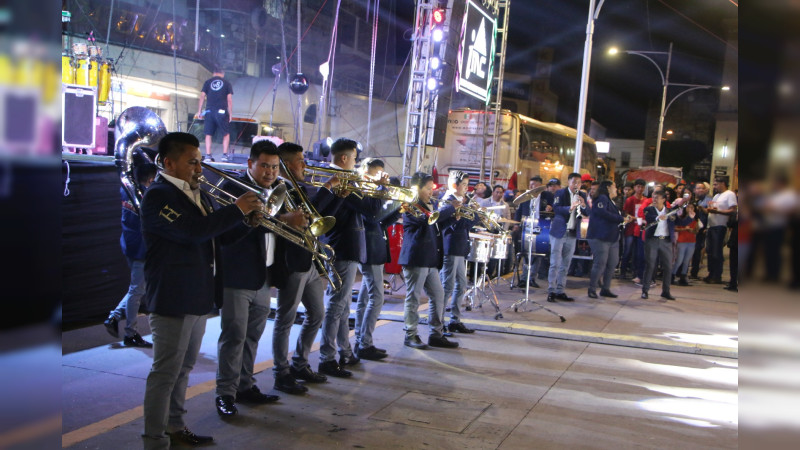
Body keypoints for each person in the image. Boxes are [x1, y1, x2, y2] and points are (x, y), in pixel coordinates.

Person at [140, 132, 263, 449]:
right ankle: (154, 440)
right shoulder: (158, 196)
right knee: (165, 373)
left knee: (183, 369)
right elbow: (191, 232)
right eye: (192, 162)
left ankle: (176, 427)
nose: (199, 168)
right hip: (172, 296)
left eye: (200, 161)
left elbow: (216, 240)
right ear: (169, 162)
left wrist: (245, 224)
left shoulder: (200, 195)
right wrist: (236, 210)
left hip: (197, 295)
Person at [214, 140, 299, 417]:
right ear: (250, 164)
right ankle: (225, 394)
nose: (270, 171)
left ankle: (245, 386)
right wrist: (282, 220)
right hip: (237, 276)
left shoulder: (277, 191)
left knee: (252, 336)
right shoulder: (234, 188)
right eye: (264, 165)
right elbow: (224, 232)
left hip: (264, 275)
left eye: (274, 167)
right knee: (233, 336)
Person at [270, 141, 342, 395]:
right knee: (285, 318)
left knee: (317, 314)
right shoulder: (280, 189)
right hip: (292, 260)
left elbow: (315, 217)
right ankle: (281, 372)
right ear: (288, 165)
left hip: (309, 258)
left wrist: (335, 197)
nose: (305, 164)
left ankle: (300, 363)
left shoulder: (298, 186)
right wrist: (327, 188)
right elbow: (306, 213)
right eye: (300, 160)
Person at [319, 138, 385, 378]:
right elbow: (372, 210)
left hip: (347, 246)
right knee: (337, 305)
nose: (357, 163)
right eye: (355, 158)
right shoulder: (342, 179)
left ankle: (344, 352)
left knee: (343, 305)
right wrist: (379, 188)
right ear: (345, 159)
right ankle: (327, 357)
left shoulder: (346, 179)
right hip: (342, 247)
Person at [398, 171, 458, 349]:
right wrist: (449, 209)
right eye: (428, 188)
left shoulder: (430, 205)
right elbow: (424, 222)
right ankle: (410, 334)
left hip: (430, 258)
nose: (432, 192)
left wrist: (452, 219)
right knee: (413, 297)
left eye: (432, 188)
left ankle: (436, 334)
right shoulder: (410, 205)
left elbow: (435, 226)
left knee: (438, 296)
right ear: (418, 188)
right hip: (416, 257)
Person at [104, 163, 158, 348]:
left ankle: (114, 317)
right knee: (136, 291)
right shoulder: (147, 196)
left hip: (129, 244)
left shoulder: (126, 189)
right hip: (141, 249)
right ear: (151, 179)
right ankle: (130, 333)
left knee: (136, 289)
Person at [354, 158, 398, 361]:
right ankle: (365, 343)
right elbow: (371, 215)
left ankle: (360, 341)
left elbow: (380, 221)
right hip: (368, 250)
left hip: (376, 247)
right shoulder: (362, 190)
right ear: (366, 174)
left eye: (383, 173)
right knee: (377, 298)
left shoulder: (374, 192)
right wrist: (381, 189)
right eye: (377, 174)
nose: (382, 177)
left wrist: (397, 209)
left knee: (365, 298)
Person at [440, 170, 480, 334]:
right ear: (454, 185)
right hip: (450, 247)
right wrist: (473, 215)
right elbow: (457, 225)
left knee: (461, 285)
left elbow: (465, 223)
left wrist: (473, 213)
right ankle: (439, 321)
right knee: (447, 286)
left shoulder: (460, 201)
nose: (466, 188)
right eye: (463, 185)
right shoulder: (447, 201)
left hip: (459, 247)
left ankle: (455, 320)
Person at [640, 190, 691, 300]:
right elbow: (649, 218)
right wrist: (658, 218)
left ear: (663, 199)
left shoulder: (670, 211)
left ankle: (666, 291)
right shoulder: (649, 209)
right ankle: (645, 290)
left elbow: (679, 222)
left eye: (657, 197)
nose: (654, 199)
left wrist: (690, 217)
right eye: (653, 197)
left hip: (666, 241)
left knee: (668, 266)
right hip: (652, 240)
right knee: (650, 265)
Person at [547, 173, 588, 302]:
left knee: (566, 263)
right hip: (559, 232)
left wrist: (584, 205)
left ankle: (560, 290)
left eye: (579, 182)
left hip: (572, 233)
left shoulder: (582, 195)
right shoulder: (561, 193)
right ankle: (551, 290)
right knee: (555, 262)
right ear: (569, 182)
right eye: (574, 182)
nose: (577, 184)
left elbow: (587, 213)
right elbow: (557, 208)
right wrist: (570, 208)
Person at [586, 180, 629, 299]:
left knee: (612, 263)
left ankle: (606, 288)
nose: (616, 189)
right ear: (609, 187)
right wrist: (620, 218)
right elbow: (602, 212)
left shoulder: (611, 201)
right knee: (600, 263)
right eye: (614, 187)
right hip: (600, 236)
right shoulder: (602, 198)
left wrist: (622, 218)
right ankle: (592, 289)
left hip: (612, 237)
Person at [196, 66, 233, 162]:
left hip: (209, 111)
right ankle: (224, 155)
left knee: (208, 134)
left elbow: (202, 96)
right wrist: (230, 114)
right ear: (223, 74)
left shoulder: (208, 82)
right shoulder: (227, 83)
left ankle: (208, 155)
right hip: (222, 111)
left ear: (213, 73)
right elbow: (229, 99)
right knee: (226, 133)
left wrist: (199, 111)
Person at [705, 177, 737, 284]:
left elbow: (733, 210)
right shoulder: (716, 196)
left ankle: (717, 275)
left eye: (715, 184)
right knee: (709, 251)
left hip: (720, 226)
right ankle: (711, 273)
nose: (714, 187)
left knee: (716, 252)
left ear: (723, 183)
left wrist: (718, 211)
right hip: (711, 226)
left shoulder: (729, 194)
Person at [620, 179, 646, 281]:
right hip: (630, 228)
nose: (640, 189)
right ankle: (623, 271)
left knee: (638, 252)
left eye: (642, 187)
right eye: (638, 186)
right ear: (634, 187)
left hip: (640, 229)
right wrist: (636, 219)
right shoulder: (630, 200)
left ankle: (635, 272)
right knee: (627, 250)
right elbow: (626, 214)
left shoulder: (646, 200)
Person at [673, 202, 700, 286]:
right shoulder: (682, 218)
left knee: (687, 261)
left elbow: (696, 230)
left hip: (691, 241)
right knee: (679, 260)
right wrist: (684, 229)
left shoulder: (695, 220)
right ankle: (671, 275)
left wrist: (693, 230)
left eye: (692, 208)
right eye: (688, 207)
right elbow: (675, 228)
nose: (690, 209)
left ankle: (683, 277)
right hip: (682, 241)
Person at [689, 182, 711, 279]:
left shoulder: (708, 200)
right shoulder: (694, 200)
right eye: (698, 188)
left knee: (697, 250)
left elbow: (710, 214)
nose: (700, 190)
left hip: (701, 230)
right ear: (694, 190)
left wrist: (706, 227)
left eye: (702, 188)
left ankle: (694, 272)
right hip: (691, 229)